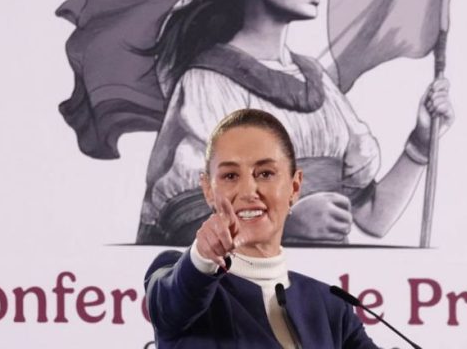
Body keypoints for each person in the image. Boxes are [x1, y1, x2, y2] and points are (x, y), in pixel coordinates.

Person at [136, 0, 454, 245]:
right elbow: (184, 226)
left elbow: (372, 217)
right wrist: (281, 226)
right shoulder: (208, 83)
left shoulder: (318, 83)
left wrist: (420, 143)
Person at [144, 109, 379, 348]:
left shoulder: (331, 307)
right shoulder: (181, 282)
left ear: (295, 186)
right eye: (230, 175)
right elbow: (174, 299)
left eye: (265, 173)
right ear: (207, 190)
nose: (248, 191)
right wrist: (203, 257)